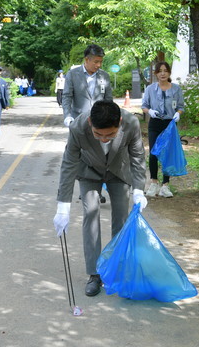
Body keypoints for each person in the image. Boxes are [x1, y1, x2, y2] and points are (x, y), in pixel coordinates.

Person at [53, 100, 148, 297]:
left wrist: (139, 189)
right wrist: (63, 206)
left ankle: (115, 269)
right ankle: (95, 274)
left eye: (110, 135)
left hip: (118, 171)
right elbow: (69, 163)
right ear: (89, 122)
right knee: (90, 213)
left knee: (121, 218)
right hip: (89, 171)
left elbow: (137, 157)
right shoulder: (78, 127)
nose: (104, 139)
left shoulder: (131, 123)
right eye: (98, 134)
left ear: (120, 122)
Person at [141, 61, 185, 198]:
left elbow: (181, 106)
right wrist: (150, 112)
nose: (162, 73)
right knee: (154, 152)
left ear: (169, 72)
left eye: (165, 70)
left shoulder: (176, 89)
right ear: (156, 73)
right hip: (155, 123)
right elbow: (144, 106)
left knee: (168, 153)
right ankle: (154, 182)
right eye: (160, 71)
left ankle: (165, 185)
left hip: (170, 124)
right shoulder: (150, 89)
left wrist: (178, 113)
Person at [61, 44, 113, 127]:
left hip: (99, 121)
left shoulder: (104, 76)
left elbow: (108, 99)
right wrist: (67, 116)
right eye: (96, 62)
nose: (99, 65)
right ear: (86, 59)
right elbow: (67, 97)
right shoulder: (72, 74)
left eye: (101, 62)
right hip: (78, 120)